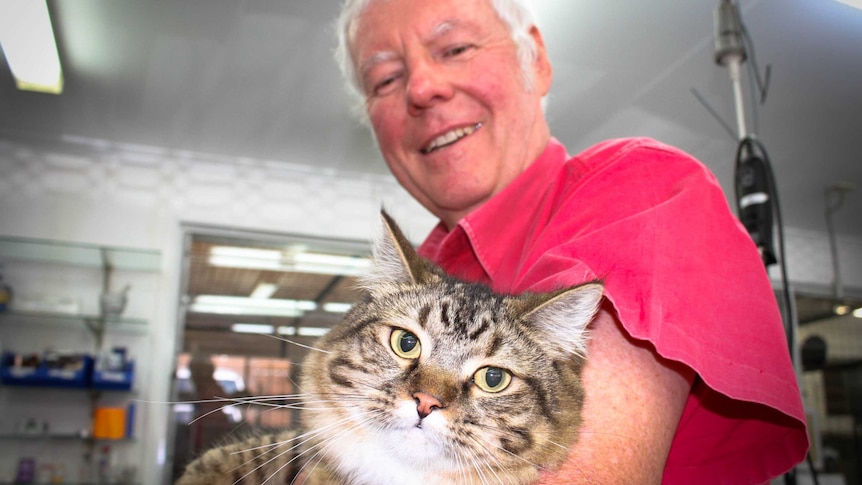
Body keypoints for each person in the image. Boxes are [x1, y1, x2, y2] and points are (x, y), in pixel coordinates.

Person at [334, 0, 809, 483]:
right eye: (386, 80)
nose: (422, 88)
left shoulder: (638, 190)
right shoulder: (420, 268)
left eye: (455, 48)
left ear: (536, 59)